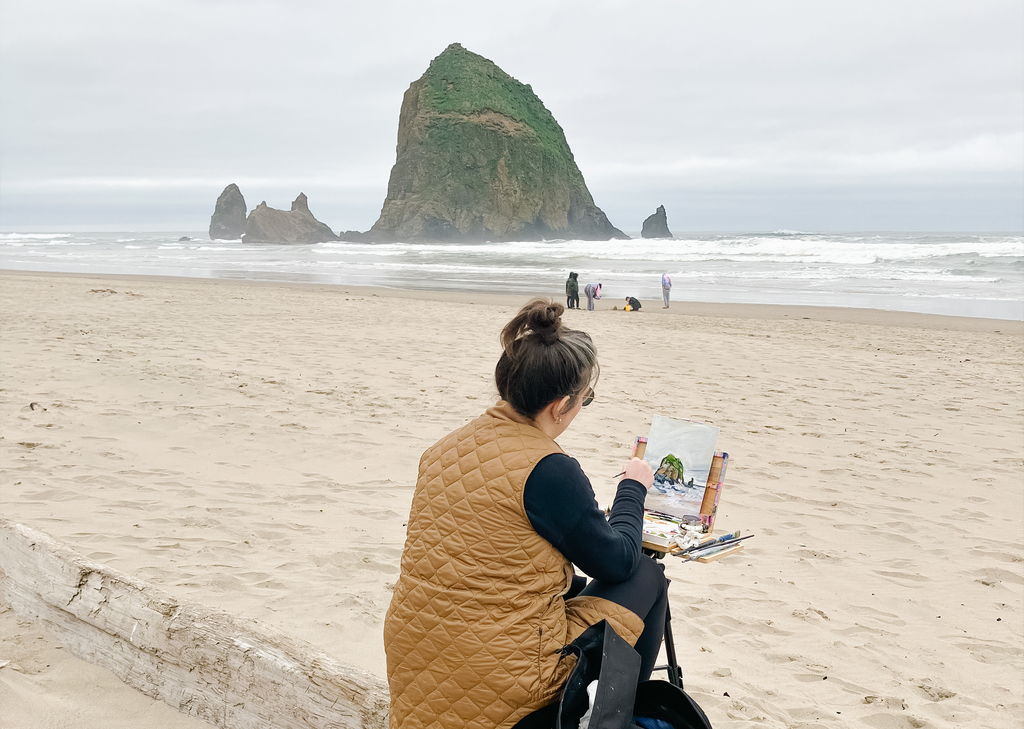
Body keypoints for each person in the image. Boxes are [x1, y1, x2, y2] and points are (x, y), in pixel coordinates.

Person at [384, 300, 668, 729]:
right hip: (500, 683)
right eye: (585, 399)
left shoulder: (445, 447)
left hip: (417, 659)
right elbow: (618, 560)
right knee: (647, 575)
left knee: (575, 584)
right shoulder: (548, 469)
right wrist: (633, 488)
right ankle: (617, 716)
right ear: (560, 405)